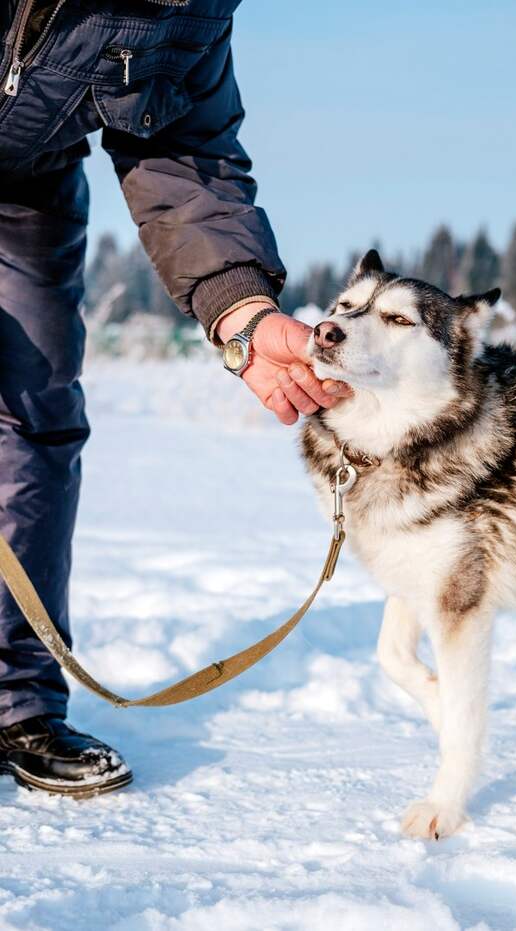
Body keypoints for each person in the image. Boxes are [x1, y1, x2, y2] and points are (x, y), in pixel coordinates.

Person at [0, 0, 350, 797]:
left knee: (36, 420)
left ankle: (13, 701)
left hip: (25, 179)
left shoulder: (191, 9)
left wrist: (243, 311)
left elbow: (184, 146)